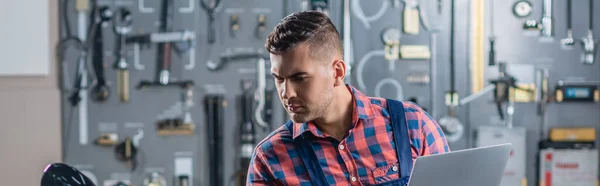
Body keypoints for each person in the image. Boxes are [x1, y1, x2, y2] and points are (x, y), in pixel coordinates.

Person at [247, 11, 450, 186]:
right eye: (279, 79)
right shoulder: (270, 159)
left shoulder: (413, 126)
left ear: (337, 72)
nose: (287, 93)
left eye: (299, 78)